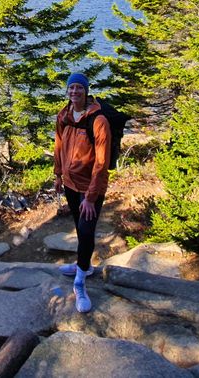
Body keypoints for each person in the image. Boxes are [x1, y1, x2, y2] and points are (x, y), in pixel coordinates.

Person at [53, 71, 110, 313]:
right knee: (79, 228)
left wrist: (91, 196)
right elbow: (58, 145)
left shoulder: (98, 121)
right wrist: (57, 174)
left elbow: (102, 162)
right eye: (71, 88)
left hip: (90, 188)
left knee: (86, 232)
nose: (75, 91)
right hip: (69, 184)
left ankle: (80, 282)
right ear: (68, 91)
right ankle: (83, 265)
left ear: (86, 91)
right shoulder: (64, 115)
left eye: (79, 88)